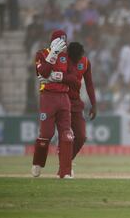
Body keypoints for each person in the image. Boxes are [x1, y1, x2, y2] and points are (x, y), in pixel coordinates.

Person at [39, 42, 97, 174]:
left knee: (81, 137)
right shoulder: (62, 59)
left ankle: (66, 161)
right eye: (73, 58)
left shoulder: (86, 63)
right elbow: (48, 74)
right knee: (64, 135)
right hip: (60, 99)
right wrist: (69, 79)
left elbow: (89, 84)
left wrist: (94, 104)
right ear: (68, 54)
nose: (76, 61)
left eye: (78, 58)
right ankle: (63, 168)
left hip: (76, 103)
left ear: (82, 55)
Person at [31, 30, 73, 178]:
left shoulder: (68, 57)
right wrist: (53, 54)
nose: (64, 46)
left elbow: (73, 78)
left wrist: (56, 76)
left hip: (64, 97)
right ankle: (38, 162)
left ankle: (65, 170)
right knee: (46, 134)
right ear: (54, 42)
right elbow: (43, 71)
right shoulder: (41, 54)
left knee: (67, 135)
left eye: (64, 43)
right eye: (60, 43)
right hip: (48, 98)